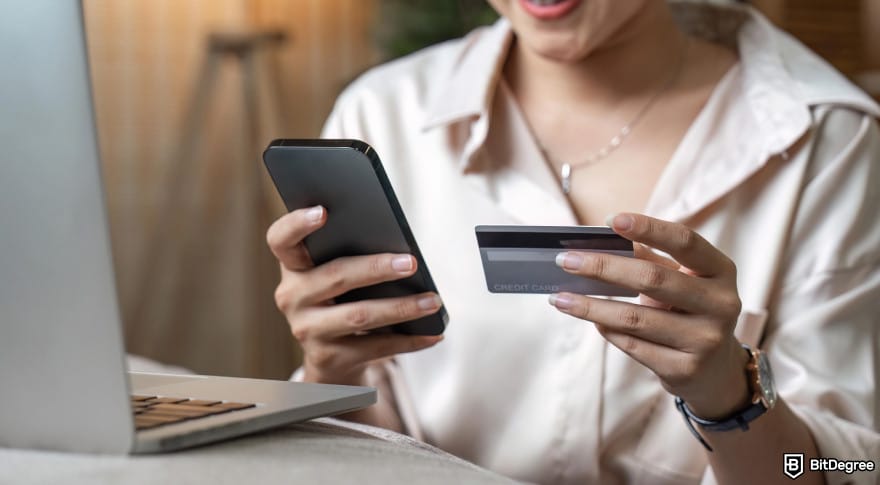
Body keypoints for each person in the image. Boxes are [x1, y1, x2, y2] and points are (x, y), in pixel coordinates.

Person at [265, 1, 880, 484]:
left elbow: (851, 467)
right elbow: (377, 447)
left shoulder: (828, 138)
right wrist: (331, 373)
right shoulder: (384, 115)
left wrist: (731, 399)